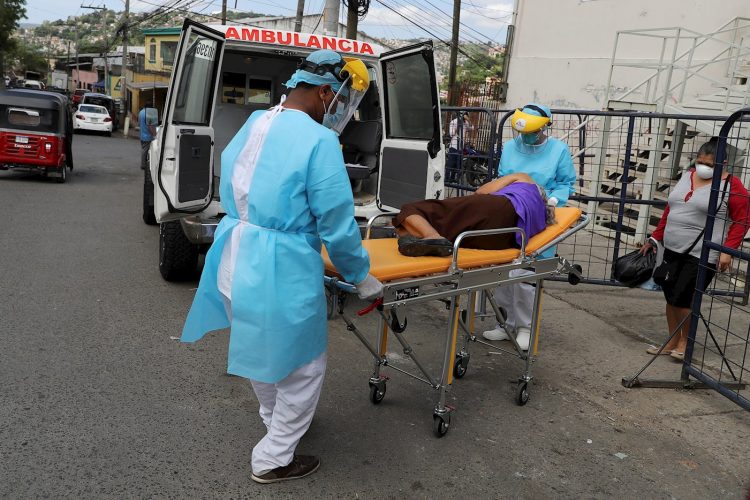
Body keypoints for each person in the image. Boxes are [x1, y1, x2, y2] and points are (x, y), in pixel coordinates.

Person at [180, 50, 383, 484]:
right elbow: (337, 223)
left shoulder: (255, 122)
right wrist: (360, 275)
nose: (338, 109)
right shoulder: (318, 141)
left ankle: (276, 421)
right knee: (305, 366)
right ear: (327, 92)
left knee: (262, 350)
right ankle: (273, 457)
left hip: (234, 255)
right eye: (340, 99)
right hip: (277, 266)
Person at [640, 139, 750, 361]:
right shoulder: (686, 175)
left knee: (684, 297)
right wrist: (655, 237)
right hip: (672, 247)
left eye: (709, 164)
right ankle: (671, 339)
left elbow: (742, 220)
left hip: (701, 252)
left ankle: (685, 341)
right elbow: (670, 210)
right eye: (700, 162)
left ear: (723, 163)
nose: (703, 167)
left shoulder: (732, 186)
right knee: (670, 295)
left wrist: (728, 250)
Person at [482, 104, 576, 350]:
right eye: (521, 132)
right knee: (503, 270)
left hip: (540, 215)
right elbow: (502, 177)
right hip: (510, 211)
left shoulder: (558, 150)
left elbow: (566, 182)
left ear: (545, 127)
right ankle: (505, 323)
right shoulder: (512, 147)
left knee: (525, 275)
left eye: (531, 132)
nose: (525, 137)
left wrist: (554, 200)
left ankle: (525, 326)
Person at [394, 173, 555, 257]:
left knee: (410, 209)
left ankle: (430, 236)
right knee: (450, 229)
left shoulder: (524, 178)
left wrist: (498, 181)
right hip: (503, 239)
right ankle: (409, 234)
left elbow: (481, 191)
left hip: (499, 208)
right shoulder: (539, 216)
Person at [445, 111, 474, 184]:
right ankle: (447, 179)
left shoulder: (465, 123)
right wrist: (458, 126)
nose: (466, 116)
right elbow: (451, 134)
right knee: (450, 164)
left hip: (461, 147)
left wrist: (468, 120)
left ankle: (452, 179)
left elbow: (471, 128)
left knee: (457, 165)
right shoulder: (453, 122)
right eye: (465, 115)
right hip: (454, 146)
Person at [138, 101, 157, 170]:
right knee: (146, 151)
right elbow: (150, 126)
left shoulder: (141, 112)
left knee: (144, 150)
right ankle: (143, 165)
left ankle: (144, 164)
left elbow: (139, 123)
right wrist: (155, 135)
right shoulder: (149, 113)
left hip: (142, 135)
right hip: (148, 136)